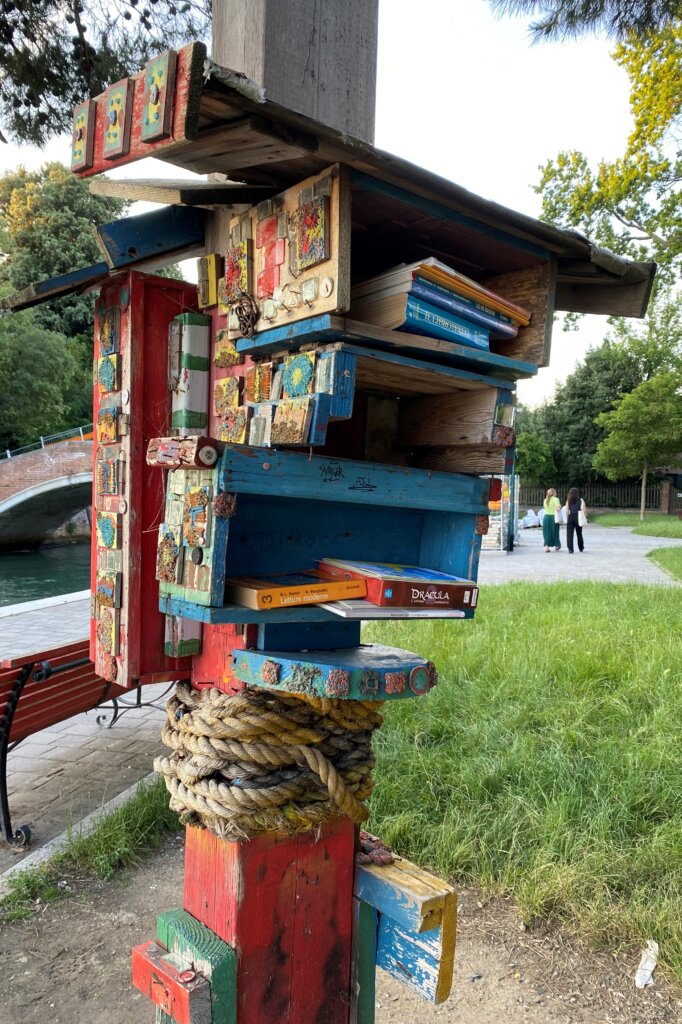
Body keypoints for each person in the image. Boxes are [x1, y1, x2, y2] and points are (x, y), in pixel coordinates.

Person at [565, 487, 587, 553]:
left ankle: (570, 549)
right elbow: (584, 509)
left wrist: (567, 517)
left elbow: (567, 510)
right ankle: (581, 547)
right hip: (578, 517)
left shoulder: (568, 500)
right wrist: (585, 516)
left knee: (569, 534)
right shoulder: (581, 500)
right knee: (579, 533)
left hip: (571, 516)